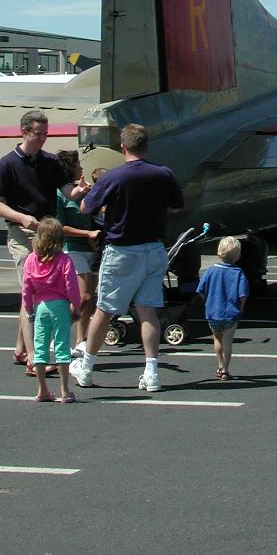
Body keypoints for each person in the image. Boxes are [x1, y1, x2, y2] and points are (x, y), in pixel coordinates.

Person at [70, 123, 184, 393]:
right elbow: (177, 203)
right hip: (154, 249)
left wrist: (88, 192)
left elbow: (87, 207)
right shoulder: (163, 174)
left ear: (122, 147)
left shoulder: (114, 177)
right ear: (146, 146)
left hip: (122, 250)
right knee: (148, 311)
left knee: (105, 310)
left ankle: (86, 367)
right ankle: (152, 372)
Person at [0, 110, 91, 375]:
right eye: (39, 134)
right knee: (31, 291)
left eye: (46, 133)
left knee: (39, 292)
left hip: (47, 233)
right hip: (22, 234)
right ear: (24, 132)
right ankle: (35, 356)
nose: (44, 139)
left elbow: (66, 190)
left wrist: (79, 191)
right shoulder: (7, 164)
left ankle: (21, 349)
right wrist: (21, 217)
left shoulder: (50, 162)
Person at [21, 217, 83, 403]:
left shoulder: (32, 259)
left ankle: (42, 390)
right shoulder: (64, 260)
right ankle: (65, 391)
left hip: (41, 307)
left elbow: (26, 287)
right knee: (62, 347)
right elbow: (71, 286)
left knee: (40, 349)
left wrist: (29, 309)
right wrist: (76, 305)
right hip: (61, 306)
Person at [55, 150, 102, 358]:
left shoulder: (83, 191)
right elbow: (60, 227)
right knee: (82, 296)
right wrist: (87, 233)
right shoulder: (59, 195)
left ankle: (80, 340)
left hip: (92, 248)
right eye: (78, 165)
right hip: (73, 248)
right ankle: (58, 335)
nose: (82, 168)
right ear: (69, 168)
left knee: (90, 298)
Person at [196, 236, 249, 381]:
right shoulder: (238, 272)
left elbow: (200, 289)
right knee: (227, 341)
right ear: (238, 256)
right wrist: (241, 308)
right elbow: (243, 294)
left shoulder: (211, 270)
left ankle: (220, 364)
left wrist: (208, 301)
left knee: (217, 339)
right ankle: (226, 369)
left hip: (213, 312)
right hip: (231, 314)